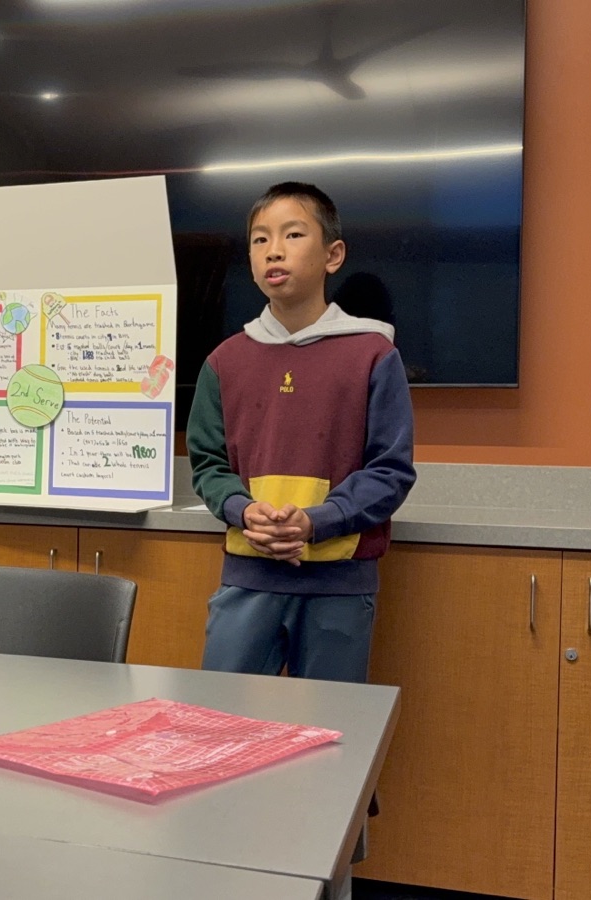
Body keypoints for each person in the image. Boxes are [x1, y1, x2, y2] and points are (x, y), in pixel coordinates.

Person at [187, 182, 415, 684]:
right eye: (259, 239)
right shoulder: (224, 362)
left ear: (333, 255)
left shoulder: (374, 356)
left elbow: (391, 469)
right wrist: (242, 509)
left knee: (331, 735)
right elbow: (207, 463)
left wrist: (319, 521)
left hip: (339, 584)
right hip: (248, 578)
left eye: (293, 234)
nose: (274, 249)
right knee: (223, 726)